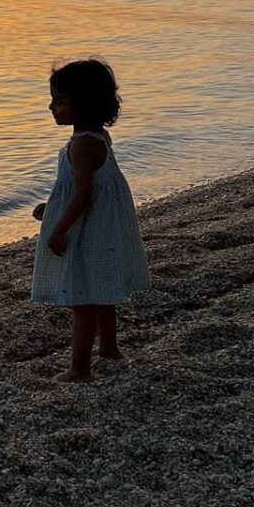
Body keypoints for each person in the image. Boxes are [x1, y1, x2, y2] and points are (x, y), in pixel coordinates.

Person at [31, 59, 149, 382]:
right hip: (100, 227)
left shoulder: (82, 145)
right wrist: (52, 206)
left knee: (82, 298)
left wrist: (58, 228)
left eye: (59, 101)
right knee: (101, 292)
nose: (51, 107)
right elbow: (82, 189)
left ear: (81, 104)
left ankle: (79, 369)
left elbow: (84, 195)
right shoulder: (97, 136)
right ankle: (109, 348)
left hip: (88, 231)